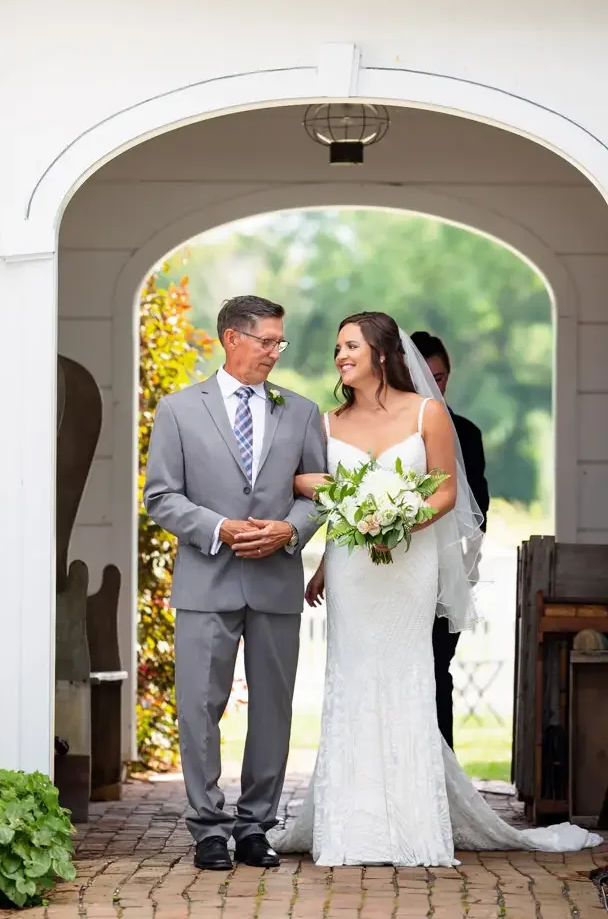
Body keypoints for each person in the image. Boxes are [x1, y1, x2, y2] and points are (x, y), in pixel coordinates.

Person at [267, 311, 602, 866]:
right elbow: (307, 483)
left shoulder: (428, 413)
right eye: (337, 348)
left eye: (350, 345)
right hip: (354, 567)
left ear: (380, 352)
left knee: (406, 679)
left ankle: (414, 826)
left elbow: (445, 493)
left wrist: (394, 521)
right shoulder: (326, 422)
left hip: (410, 564)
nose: (340, 356)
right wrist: (332, 550)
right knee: (351, 679)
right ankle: (350, 827)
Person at [144, 295, 326, 871]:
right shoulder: (177, 410)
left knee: (273, 708)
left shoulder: (301, 411)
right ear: (231, 338)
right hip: (206, 578)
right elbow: (161, 497)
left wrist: (287, 531)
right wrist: (219, 527)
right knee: (200, 706)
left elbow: (317, 493)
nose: (275, 351)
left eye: (280, 342)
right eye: (266, 340)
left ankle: (255, 827)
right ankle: (208, 829)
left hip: (275, 580)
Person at [410, 330, 489, 750]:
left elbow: (480, 509)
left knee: (438, 669)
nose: (433, 385)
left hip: (445, 573)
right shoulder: (390, 429)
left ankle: (441, 776)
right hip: (393, 568)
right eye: (426, 376)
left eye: (440, 378)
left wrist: (458, 568)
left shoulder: (467, 433)